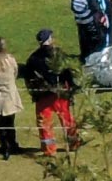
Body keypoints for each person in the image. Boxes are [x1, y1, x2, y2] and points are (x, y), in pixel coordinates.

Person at [23, 28, 77, 156]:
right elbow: (67, 72)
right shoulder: (58, 54)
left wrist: (34, 93)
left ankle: (49, 149)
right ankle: (74, 143)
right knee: (67, 120)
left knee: (45, 123)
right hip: (60, 93)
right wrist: (71, 88)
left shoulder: (33, 58)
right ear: (50, 39)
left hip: (43, 95)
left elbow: (28, 77)